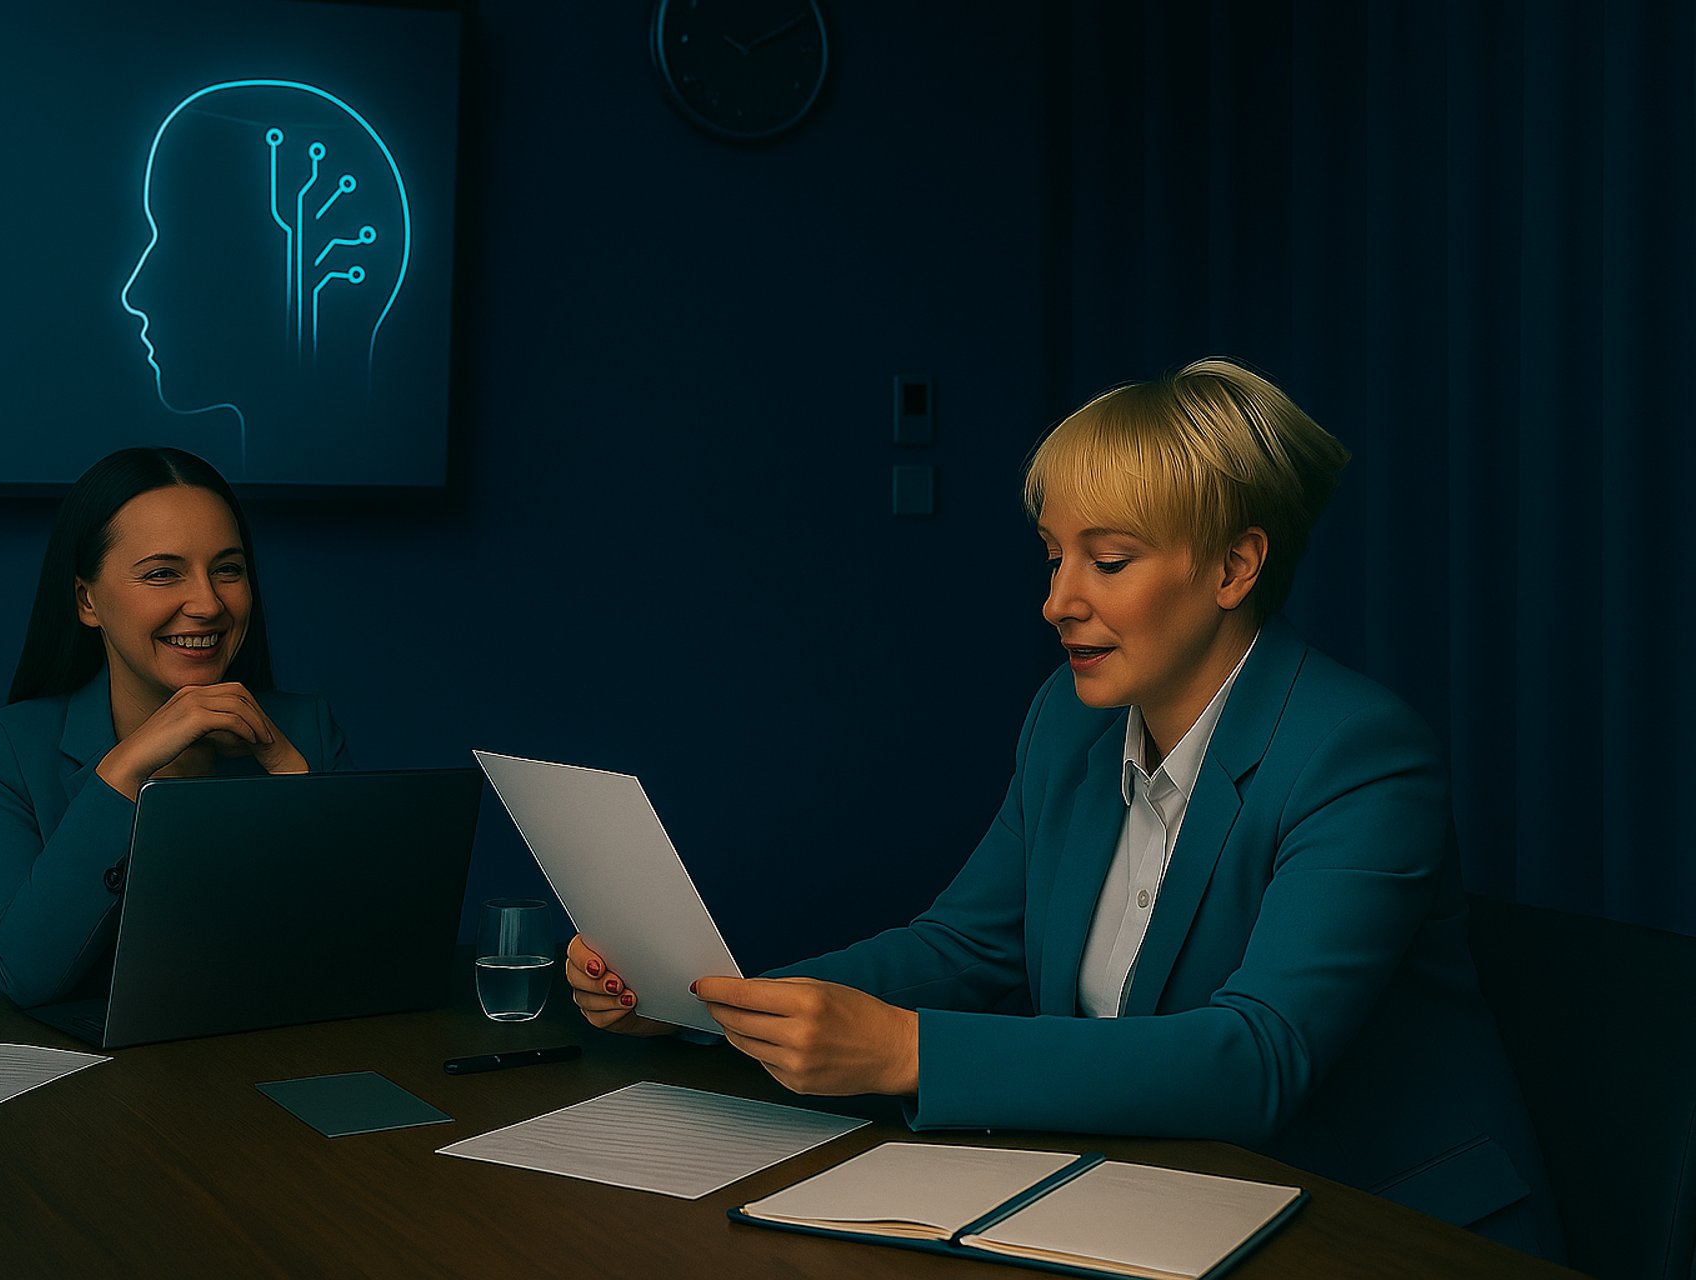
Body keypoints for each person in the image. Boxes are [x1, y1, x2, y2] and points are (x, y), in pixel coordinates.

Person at [566, 359, 1563, 1259]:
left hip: (1384, 1225)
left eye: (1109, 559)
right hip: (1161, 1205)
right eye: (1054, 556)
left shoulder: (1358, 750)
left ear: (1232, 568)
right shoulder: (1069, 721)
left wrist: (908, 1049)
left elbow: (1262, 1055)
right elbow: (964, 945)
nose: (1058, 599)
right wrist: (707, 1002)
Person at [0, 447, 352, 1008]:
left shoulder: (303, 730)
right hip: (50, 1069)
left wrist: (288, 772)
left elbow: (351, 961)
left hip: (236, 1064)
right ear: (87, 600)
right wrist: (123, 767)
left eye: (228, 570)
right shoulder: (3, 748)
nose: (208, 603)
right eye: (163, 573)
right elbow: (23, 972)